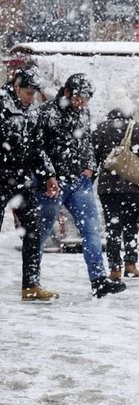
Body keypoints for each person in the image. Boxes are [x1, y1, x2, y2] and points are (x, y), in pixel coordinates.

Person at [33, 73, 126, 299]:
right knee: (41, 232)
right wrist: (48, 175)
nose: (81, 103)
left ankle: (98, 280)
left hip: (78, 182)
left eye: (85, 99)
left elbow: (86, 143)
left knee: (91, 230)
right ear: (67, 92)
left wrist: (90, 167)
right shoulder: (47, 113)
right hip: (52, 183)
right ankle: (31, 280)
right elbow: (38, 147)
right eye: (78, 98)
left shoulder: (83, 113)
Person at [0, 66, 59, 301]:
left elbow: (37, 147)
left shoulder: (33, 110)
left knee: (34, 230)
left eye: (34, 93)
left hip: (22, 179)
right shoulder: (2, 105)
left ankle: (31, 285)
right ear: (16, 87)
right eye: (27, 93)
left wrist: (49, 175)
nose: (31, 98)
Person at [92, 100, 139, 279]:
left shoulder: (101, 129)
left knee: (113, 228)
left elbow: (93, 158)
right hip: (133, 187)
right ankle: (131, 263)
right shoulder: (137, 129)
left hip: (108, 189)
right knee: (131, 226)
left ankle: (114, 268)